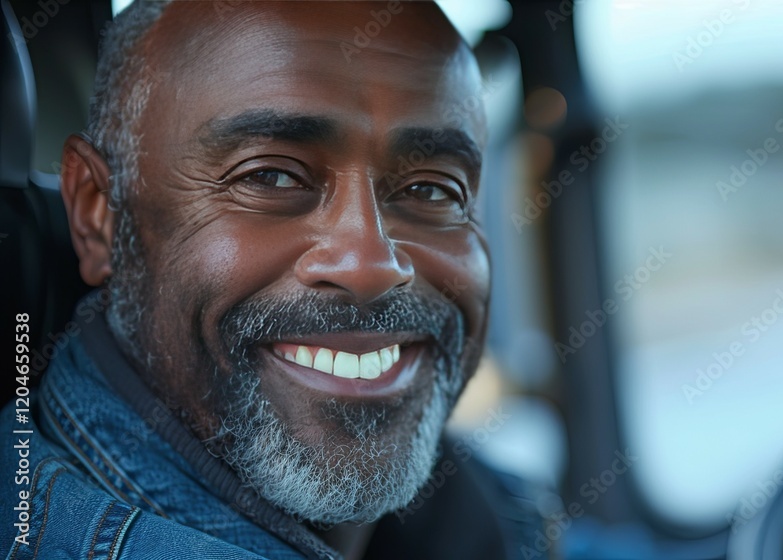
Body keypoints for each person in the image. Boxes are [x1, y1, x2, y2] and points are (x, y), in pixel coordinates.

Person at [3, 1, 545, 558]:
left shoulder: (474, 503)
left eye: (432, 190)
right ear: (101, 216)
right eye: (271, 176)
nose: (371, 266)